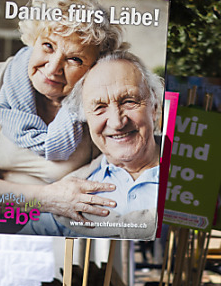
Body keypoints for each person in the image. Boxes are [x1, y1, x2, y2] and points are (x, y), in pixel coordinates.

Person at [0, 0, 128, 224]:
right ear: (33, 39)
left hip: (69, 232)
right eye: (48, 46)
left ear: (94, 68)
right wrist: (47, 198)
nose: (53, 69)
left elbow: (101, 186)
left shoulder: (101, 104)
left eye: (74, 59)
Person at [27, 51, 163, 239]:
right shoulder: (70, 199)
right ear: (85, 118)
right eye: (99, 107)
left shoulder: (190, 175)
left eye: (129, 101)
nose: (117, 122)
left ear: (154, 106)